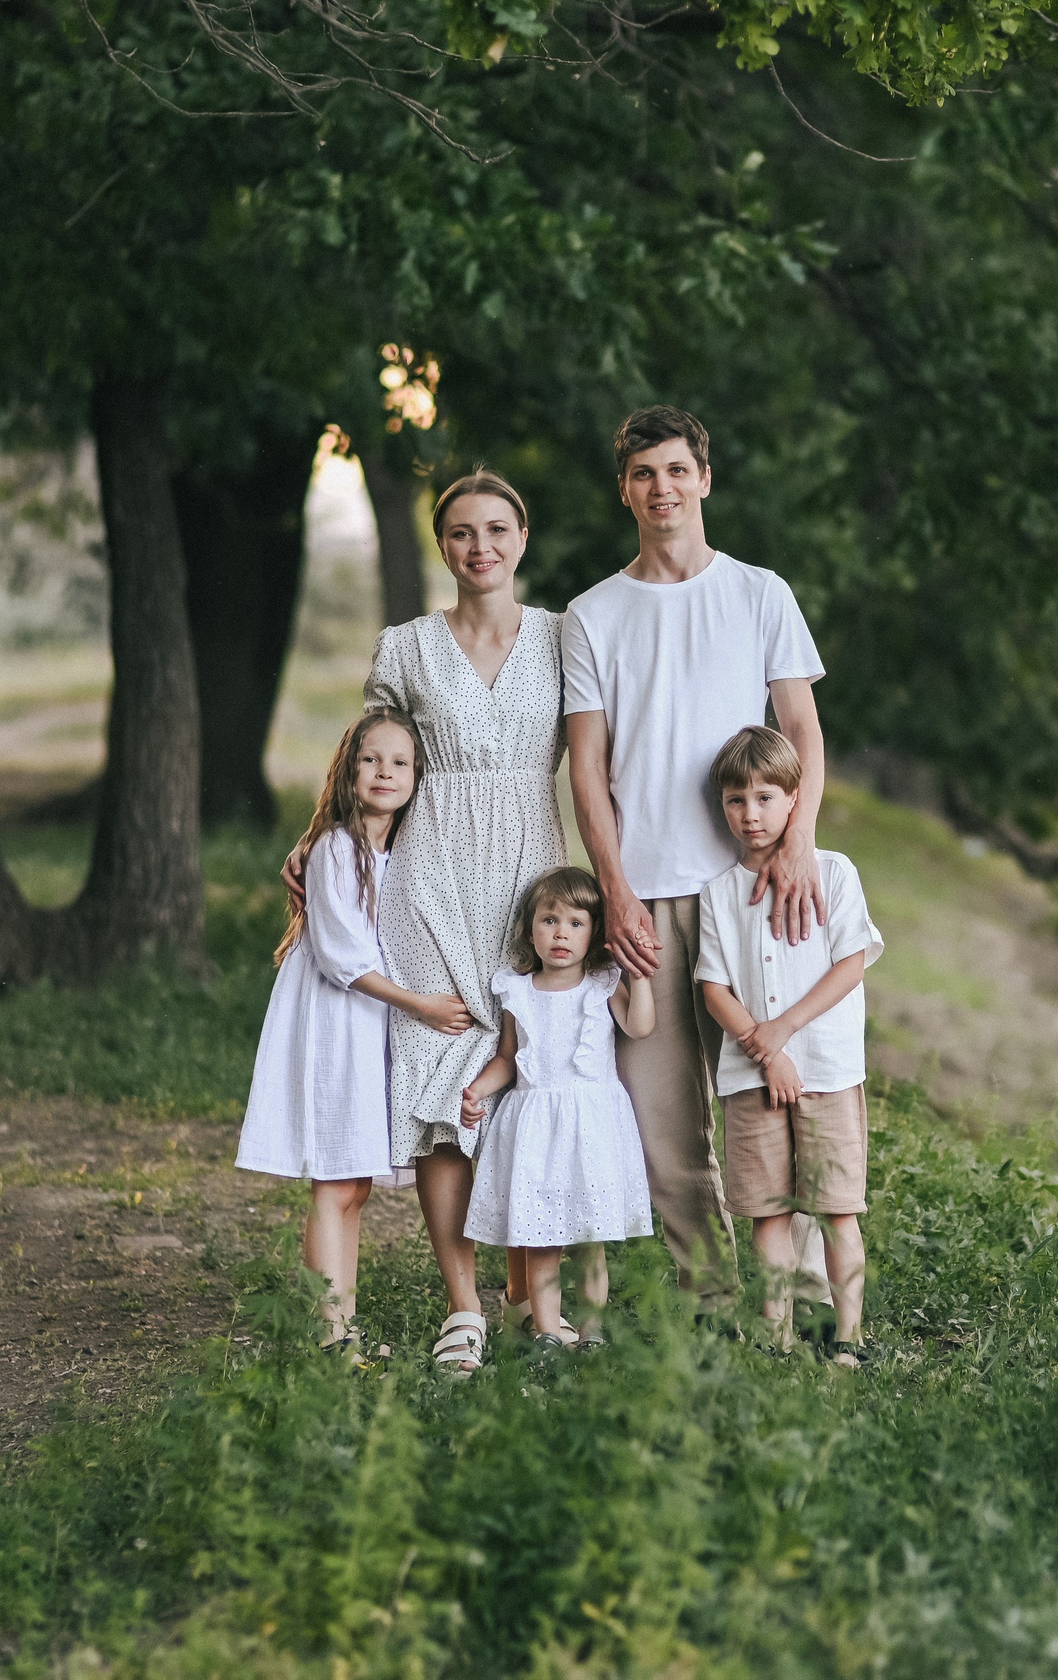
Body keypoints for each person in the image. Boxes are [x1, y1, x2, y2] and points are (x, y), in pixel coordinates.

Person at [562, 405, 831, 1293]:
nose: (661, 489)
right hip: (645, 900)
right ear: (625, 491)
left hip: (751, 892)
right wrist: (616, 888)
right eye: (644, 475)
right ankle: (713, 1308)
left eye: (677, 471)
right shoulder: (592, 614)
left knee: (780, 1102)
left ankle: (805, 1299)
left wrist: (798, 845)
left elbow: (802, 731)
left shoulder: (761, 594)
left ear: (704, 480)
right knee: (664, 1125)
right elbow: (589, 769)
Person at [319, 468, 575, 1374]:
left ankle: (528, 1299)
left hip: (529, 873)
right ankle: (461, 1304)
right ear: (443, 546)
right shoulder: (406, 646)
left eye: (498, 528)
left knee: (526, 1076)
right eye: (463, 532)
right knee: (441, 1088)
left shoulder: (560, 636)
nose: (482, 547)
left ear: (522, 535)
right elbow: (373, 765)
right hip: (428, 882)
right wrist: (326, 844)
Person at [237, 708, 468, 1363]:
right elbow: (344, 957)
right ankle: (330, 1335)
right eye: (372, 760)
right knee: (337, 1183)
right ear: (348, 770)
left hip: (368, 1025)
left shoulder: (395, 852)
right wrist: (420, 1005)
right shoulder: (336, 848)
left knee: (353, 1185)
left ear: (418, 776)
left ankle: (339, 1326)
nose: (385, 773)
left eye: (400, 763)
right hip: (336, 1024)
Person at [696, 726, 884, 1364]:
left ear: (795, 798)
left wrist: (785, 1031)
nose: (751, 815)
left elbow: (851, 962)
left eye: (766, 798)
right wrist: (765, 1048)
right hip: (752, 1077)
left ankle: (849, 1340)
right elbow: (715, 986)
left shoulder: (833, 872)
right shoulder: (719, 893)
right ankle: (774, 1339)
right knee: (768, 1214)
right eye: (735, 801)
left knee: (836, 1209)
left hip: (826, 1070)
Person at [460, 868, 657, 1345]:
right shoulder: (517, 991)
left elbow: (640, 1026)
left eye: (575, 923)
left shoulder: (603, 985)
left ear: (595, 934)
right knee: (539, 1237)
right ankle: (548, 1333)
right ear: (531, 929)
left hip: (590, 1126)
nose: (561, 933)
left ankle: (591, 1332)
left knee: (590, 1241)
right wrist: (478, 1090)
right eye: (549, 921)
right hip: (535, 1127)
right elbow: (509, 1059)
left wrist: (640, 975)